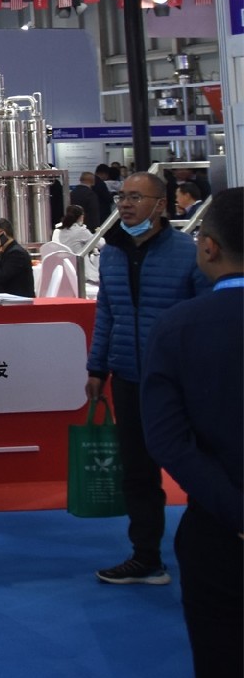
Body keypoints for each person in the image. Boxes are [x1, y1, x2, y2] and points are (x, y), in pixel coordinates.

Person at [142, 187, 242, 678]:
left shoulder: (178, 327)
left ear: (208, 247)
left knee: (222, 666)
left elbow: (166, 439)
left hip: (220, 533)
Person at [87, 170, 210, 585]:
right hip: (126, 377)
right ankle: (146, 557)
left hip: (180, 382)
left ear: (160, 205)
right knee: (137, 473)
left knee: (198, 468)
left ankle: (211, 552)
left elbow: (206, 317)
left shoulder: (188, 253)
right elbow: (106, 313)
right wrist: (96, 368)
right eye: (122, 196)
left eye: (136, 197)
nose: (125, 204)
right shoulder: (111, 253)